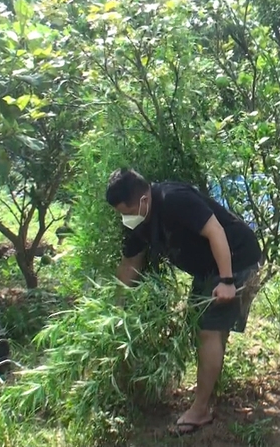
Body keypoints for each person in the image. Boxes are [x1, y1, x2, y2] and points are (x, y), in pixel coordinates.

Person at [106, 168, 262, 436]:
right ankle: (209, 389)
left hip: (236, 258)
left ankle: (200, 411)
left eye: (127, 210)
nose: (125, 217)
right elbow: (130, 262)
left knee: (209, 331)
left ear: (143, 200)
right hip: (207, 268)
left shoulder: (173, 199)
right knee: (203, 328)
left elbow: (216, 232)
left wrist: (226, 281)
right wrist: (114, 309)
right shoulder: (140, 220)